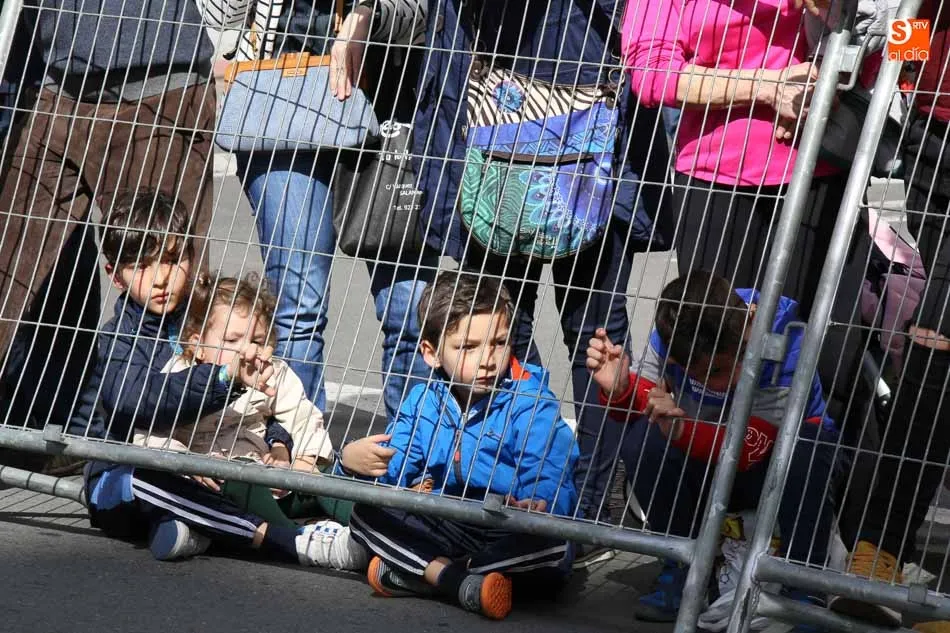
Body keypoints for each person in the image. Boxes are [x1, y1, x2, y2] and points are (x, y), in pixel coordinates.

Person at [410, 0, 673, 563]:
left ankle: (593, 506)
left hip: (586, 107)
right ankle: (525, 487)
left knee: (594, 337)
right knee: (505, 331)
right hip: (495, 110)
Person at [75, 190, 367, 569]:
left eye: (173, 260)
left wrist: (279, 441)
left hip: (222, 462)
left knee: (288, 474)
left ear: (192, 257)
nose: (161, 278)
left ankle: (201, 526)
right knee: (147, 479)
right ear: (115, 276)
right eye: (142, 266)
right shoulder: (121, 339)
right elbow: (136, 402)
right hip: (137, 467)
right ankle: (284, 540)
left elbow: (271, 396)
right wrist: (221, 379)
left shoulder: (211, 315)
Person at [0, 0, 218, 470]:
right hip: (55, 81)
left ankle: (165, 459)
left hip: (160, 79)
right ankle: (79, 441)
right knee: (9, 266)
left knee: (164, 280)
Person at [203, 0, 434, 420]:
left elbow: (427, 13)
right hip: (280, 92)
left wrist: (367, 16)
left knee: (410, 307)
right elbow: (223, 18)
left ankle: (413, 447)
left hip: (390, 93)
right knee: (297, 308)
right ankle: (298, 445)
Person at [586, 271, 839, 622]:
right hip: (705, 463)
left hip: (774, 473)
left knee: (808, 443)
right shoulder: (676, 330)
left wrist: (679, 429)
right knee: (643, 439)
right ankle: (683, 568)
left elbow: (751, 447)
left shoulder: (787, 337)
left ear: (748, 324)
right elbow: (651, 403)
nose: (724, 380)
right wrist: (622, 390)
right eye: (702, 373)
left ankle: (804, 587)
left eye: (723, 367)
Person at [344, 271, 579, 620]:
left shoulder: (531, 402)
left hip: (506, 526)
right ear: (431, 353)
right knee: (366, 514)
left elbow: (551, 470)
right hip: (449, 524)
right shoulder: (424, 400)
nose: (487, 359)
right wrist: (352, 461)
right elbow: (393, 470)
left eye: (499, 342)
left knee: (554, 545)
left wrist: (540, 502)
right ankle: (458, 582)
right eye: (468, 347)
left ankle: (428, 574)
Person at [829, 2, 950, 629]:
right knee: (930, 356)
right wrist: (903, 68)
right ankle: (877, 556)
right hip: (932, 141)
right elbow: (913, 26)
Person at [622, 0, 844, 319]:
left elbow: (898, 27)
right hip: (714, 178)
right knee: (715, 333)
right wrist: (768, 87)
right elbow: (651, 75)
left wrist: (831, 78)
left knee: (819, 336)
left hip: (822, 168)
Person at [157, 272, 352, 527]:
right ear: (198, 344)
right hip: (213, 482)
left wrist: (305, 460)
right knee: (240, 479)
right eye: (231, 340)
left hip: (271, 477)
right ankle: (291, 538)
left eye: (257, 341)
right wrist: (187, 462)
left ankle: (369, 529)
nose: (247, 350)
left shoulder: (272, 372)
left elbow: (303, 416)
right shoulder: (178, 374)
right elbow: (151, 430)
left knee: (330, 476)